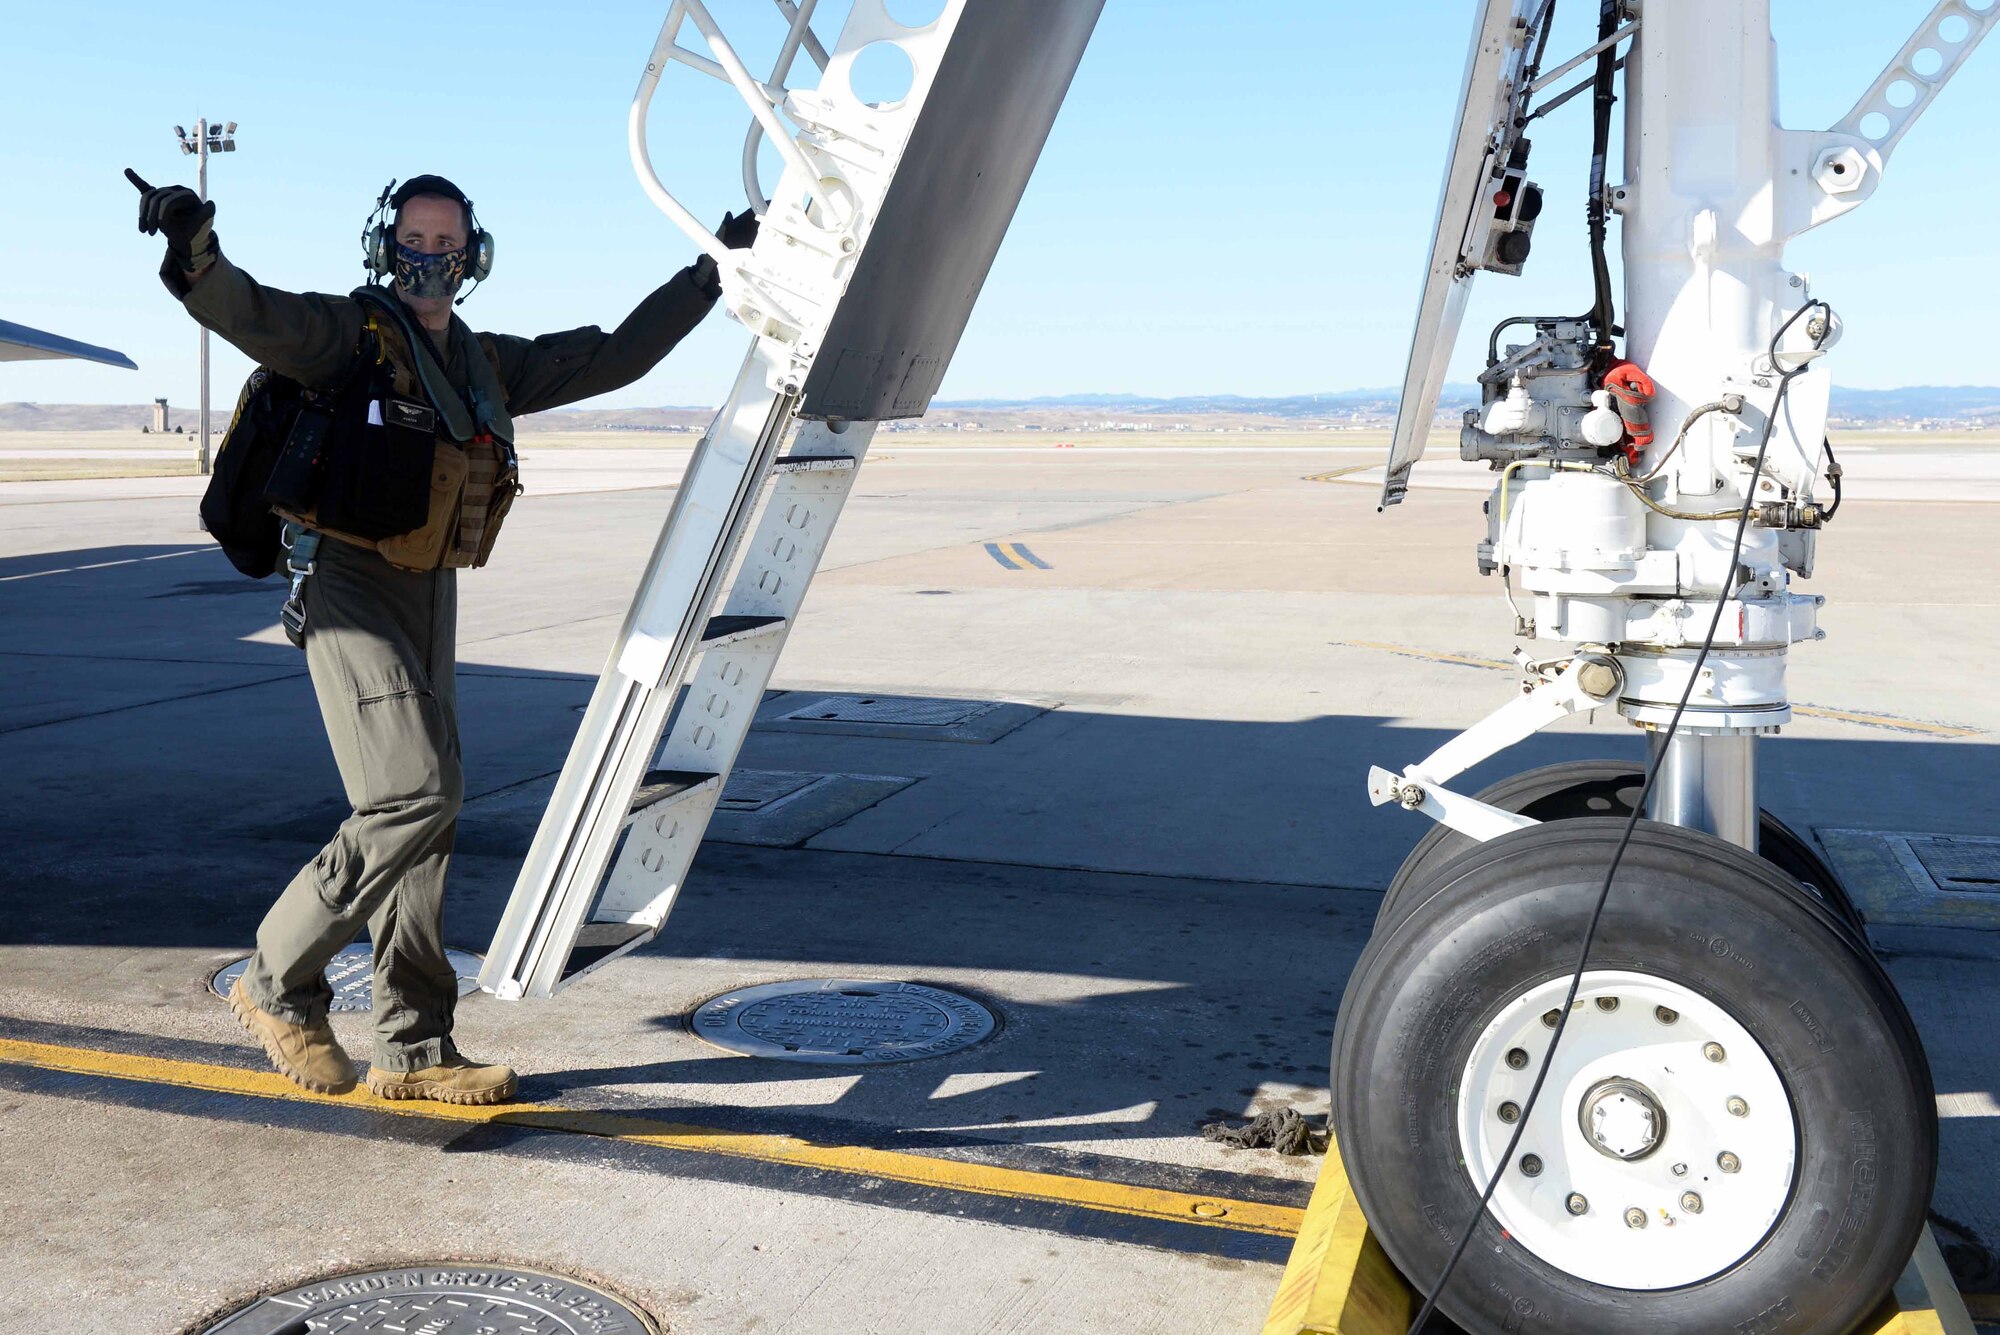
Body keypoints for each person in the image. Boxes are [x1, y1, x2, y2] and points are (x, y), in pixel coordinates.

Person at [130, 170, 754, 1105]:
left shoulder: (481, 362)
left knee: (428, 823)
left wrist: (709, 275)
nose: (431, 259)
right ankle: (276, 981)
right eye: (416, 242)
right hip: (345, 586)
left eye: (448, 245)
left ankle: (415, 1048)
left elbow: (615, 357)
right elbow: (247, 312)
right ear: (387, 245)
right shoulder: (348, 335)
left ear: (474, 257)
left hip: (430, 592)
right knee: (413, 790)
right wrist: (191, 245)